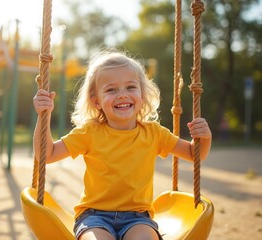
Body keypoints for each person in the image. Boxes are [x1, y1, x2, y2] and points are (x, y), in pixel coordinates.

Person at [33, 50, 212, 240]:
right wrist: (44, 115)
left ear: (142, 95)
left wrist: (204, 138)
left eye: (130, 87)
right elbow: (48, 154)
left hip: (138, 218)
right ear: (97, 102)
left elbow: (195, 154)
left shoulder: (154, 133)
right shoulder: (89, 133)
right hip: (94, 216)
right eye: (111, 90)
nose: (122, 95)